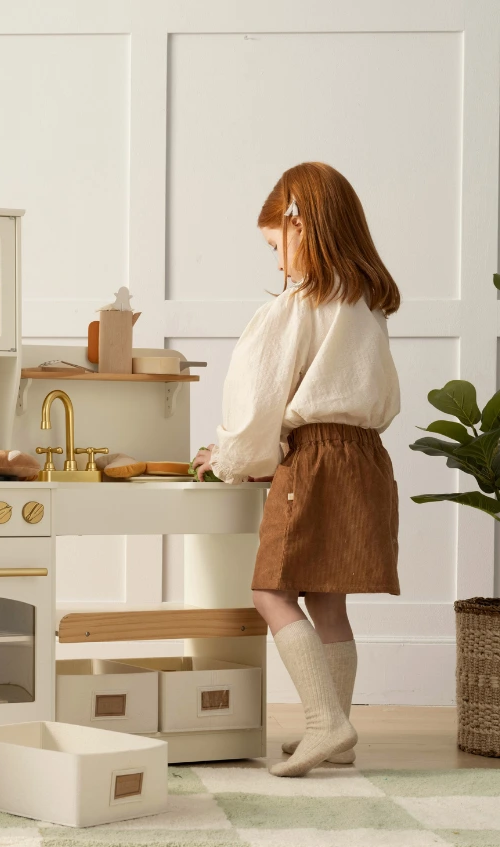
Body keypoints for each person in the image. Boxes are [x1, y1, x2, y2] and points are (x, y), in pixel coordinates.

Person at [193, 162, 401, 777]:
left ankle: (323, 723)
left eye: (274, 245)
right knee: (329, 601)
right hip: (364, 457)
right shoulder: (365, 306)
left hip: (315, 457)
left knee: (270, 592)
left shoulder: (297, 307)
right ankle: (337, 730)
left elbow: (259, 399)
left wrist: (228, 459)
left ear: (300, 226)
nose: (277, 260)